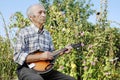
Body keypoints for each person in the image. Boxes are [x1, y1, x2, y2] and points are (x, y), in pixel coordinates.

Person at [13, 3, 75, 80]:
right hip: (26, 69)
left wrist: (61, 52)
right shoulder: (24, 32)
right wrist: (40, 56)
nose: (44, 15)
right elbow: (17, 56)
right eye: (40, 12)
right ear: (31, 17)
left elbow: (51, 55)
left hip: (44, 70)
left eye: (44, 12)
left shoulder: (47, 34)